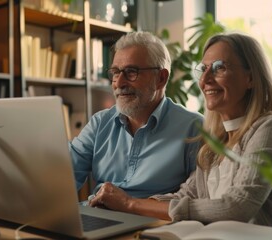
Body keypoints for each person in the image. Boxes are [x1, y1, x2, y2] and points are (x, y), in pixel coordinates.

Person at [89, 32, 272, 226]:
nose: (205, 81)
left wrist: (129, 204)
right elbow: (186, 195)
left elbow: (236, 206)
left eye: (219, 68)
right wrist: (121, 202)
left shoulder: (269, 129)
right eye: (203, 69)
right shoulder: (216, 141)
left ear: (250, 78)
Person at [69, 31, 204, 199]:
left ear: (161, 78)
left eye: (131, 72)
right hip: (99, 214)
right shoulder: (100, 122)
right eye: (115, 72)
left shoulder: (194, 128)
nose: (119, 83)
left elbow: (197, 198)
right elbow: (63, 177)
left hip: (155, 222)